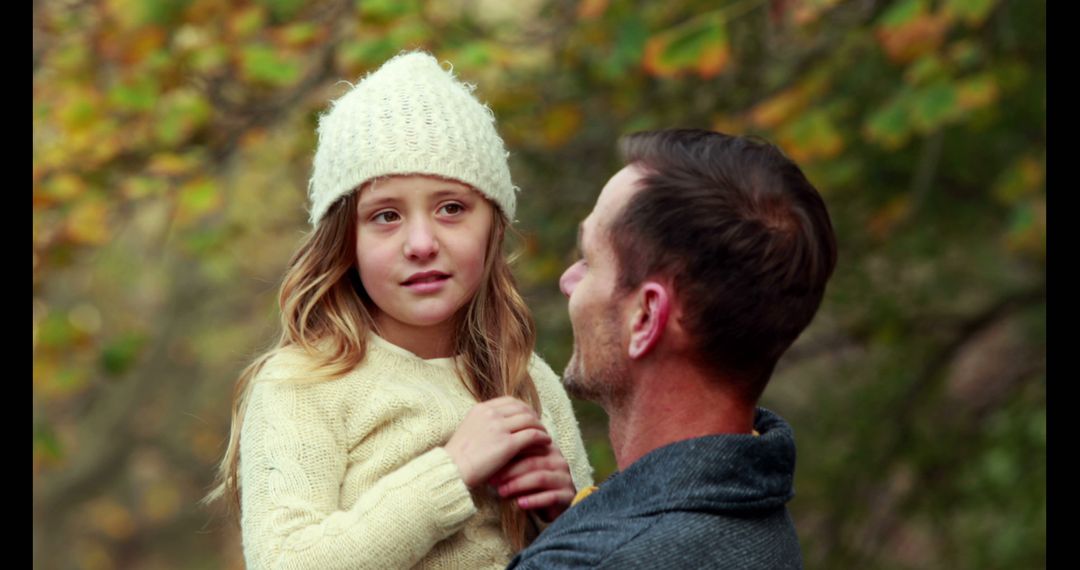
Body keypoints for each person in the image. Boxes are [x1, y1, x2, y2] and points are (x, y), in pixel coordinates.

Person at [205, 51, 593, 569]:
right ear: (347, 241)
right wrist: (452, 472)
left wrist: (569, 515)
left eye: (451, 208)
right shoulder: (303, 384)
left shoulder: (530, 382)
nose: (421, 242)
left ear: (493, 226)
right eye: (386, 216)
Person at [509, 128, 837, 569]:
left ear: (645, 317)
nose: (568, 281)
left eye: (588, 260)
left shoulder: (590, 562)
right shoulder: (758, 519)